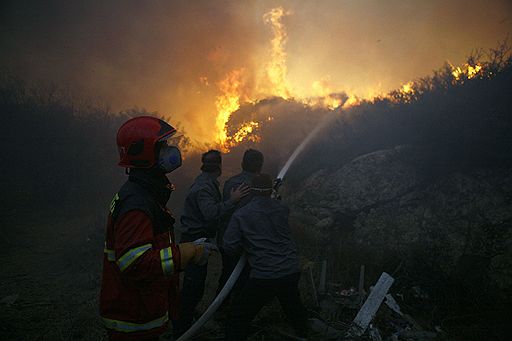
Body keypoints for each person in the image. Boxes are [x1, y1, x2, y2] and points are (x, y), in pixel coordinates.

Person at [99, 116, 215, 341]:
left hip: (143, 309)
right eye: (161, 147)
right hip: (133, 319)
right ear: (144, 152)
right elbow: (135, 263)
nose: (170, 151)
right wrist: (187, 253)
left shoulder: (145, 193)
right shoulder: (137, 204)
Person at [223, 174, 309, 340]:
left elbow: (229, 246)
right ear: (270, 190)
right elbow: (274, 211)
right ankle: (304, 333)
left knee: (237, 317)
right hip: (291, 269)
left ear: (251, 192)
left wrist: (246, 246)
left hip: (265, 275)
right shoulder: (282, 208)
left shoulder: (241, 215)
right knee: (293, 307)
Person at [173, 150, 249, 337]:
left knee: (196, 286)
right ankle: (181, 330)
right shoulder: (204, 188)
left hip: (199, 240)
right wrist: (233, 200)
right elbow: (211, 214)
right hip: (195, 241)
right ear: (219, 167)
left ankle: (187, 320)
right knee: (193, 287)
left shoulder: (206, 183)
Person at [217, 149, 264, 296]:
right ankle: (233, 309)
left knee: (228, 273)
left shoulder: (231, 183)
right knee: (243, 276)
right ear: (260, 166)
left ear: (242, 163)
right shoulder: (260, 187)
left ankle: (221, 307)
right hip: (246, 241)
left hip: (227, 239)